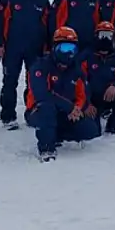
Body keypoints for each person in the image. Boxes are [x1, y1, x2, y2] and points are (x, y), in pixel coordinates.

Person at [25, 26, 100, 162]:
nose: (68, 53)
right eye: (64, 48)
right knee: (46, 108)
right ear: (55, 48)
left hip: (66, 112)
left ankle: (57, 134)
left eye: (72, 49)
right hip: (39, 110)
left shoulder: (76, 69)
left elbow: (82, 94)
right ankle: (46, 148)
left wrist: (77, 109)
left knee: (91, 129)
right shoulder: (40, 66)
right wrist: (70, 107)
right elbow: (43, 94)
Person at [0, 0, 51, 130]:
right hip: (12, 47)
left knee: (34, 82)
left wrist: (47, 47)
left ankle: (32, 111)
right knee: (10, 81)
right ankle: (8, 116)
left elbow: (48, 25)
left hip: (35, 48)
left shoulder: (42, 0)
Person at [81, 22, 115, 135]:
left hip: (110, 95)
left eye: (108, 35)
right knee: (93, 132)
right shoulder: (86, 56)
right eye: (102, 35)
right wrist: (87, 103)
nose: (105, 39)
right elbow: (79, 82)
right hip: (92, 99)